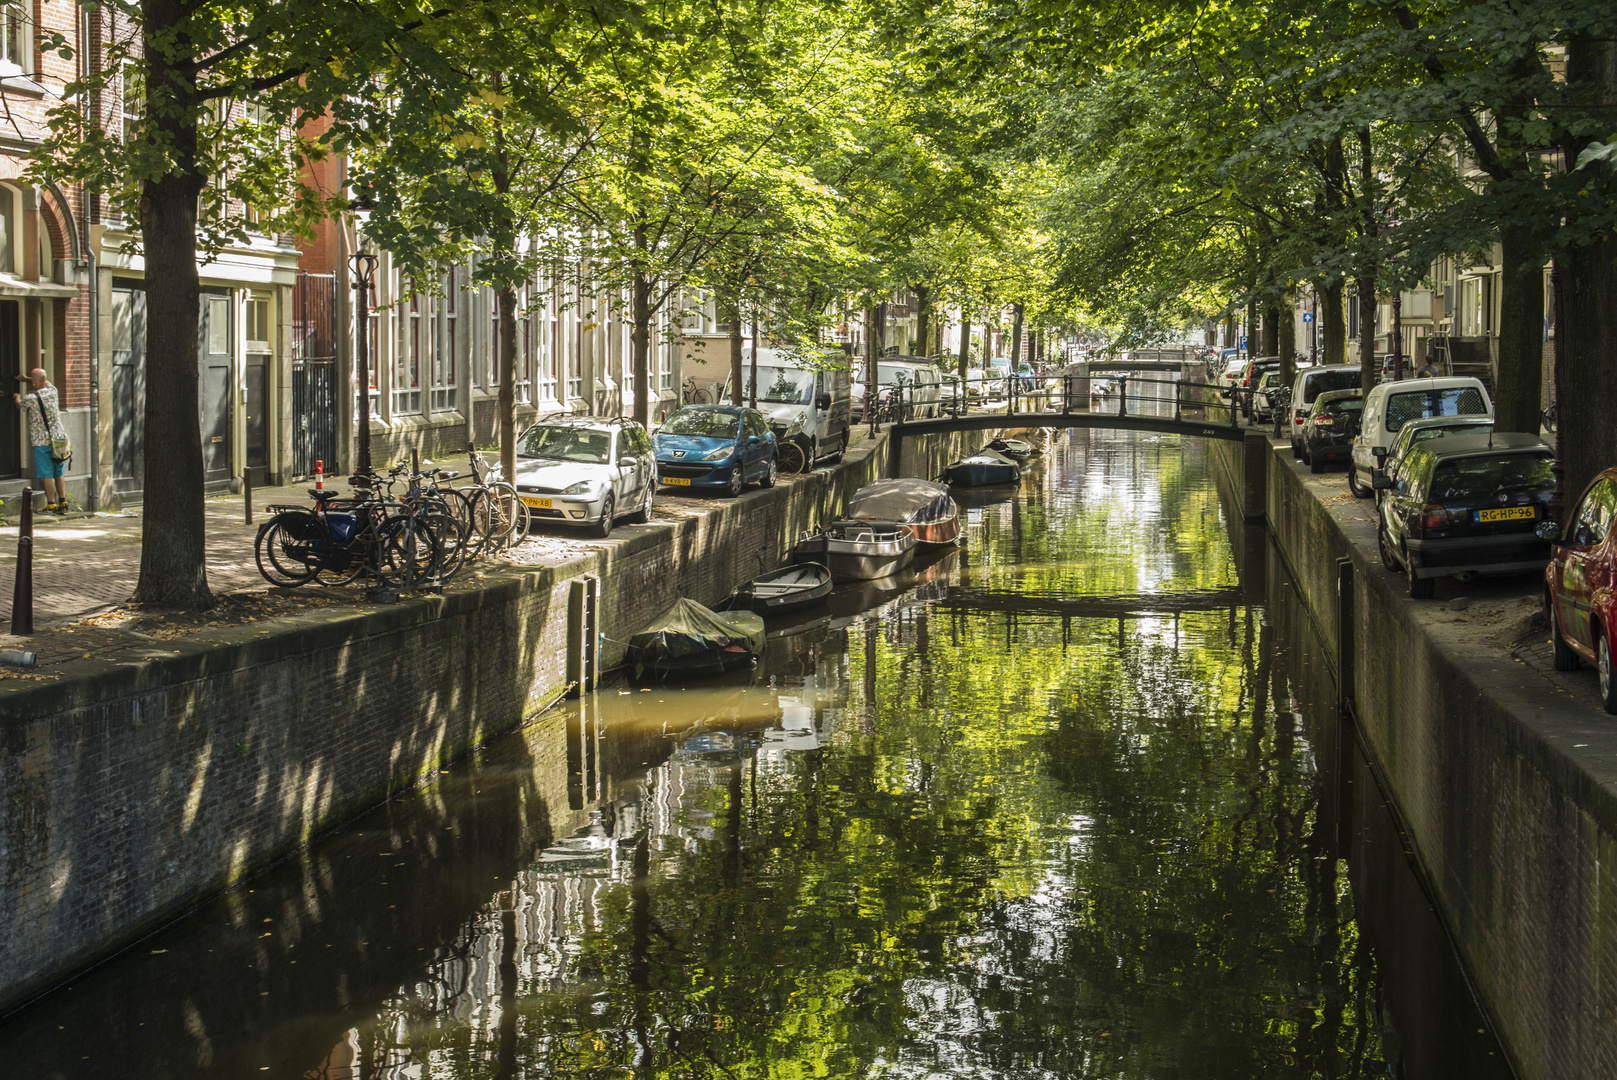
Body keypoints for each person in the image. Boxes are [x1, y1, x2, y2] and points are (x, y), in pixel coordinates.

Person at [12, 367, 68, 513]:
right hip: (59, 438)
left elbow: (19, 405)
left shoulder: (30, 398)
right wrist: (30, 379)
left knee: (46, 474)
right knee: (58, 472)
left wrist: (16, 396)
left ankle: (50, 504)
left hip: (41, 440)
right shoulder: (53, 391)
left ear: (34, 381)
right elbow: (45, 381)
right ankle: (63, 502)